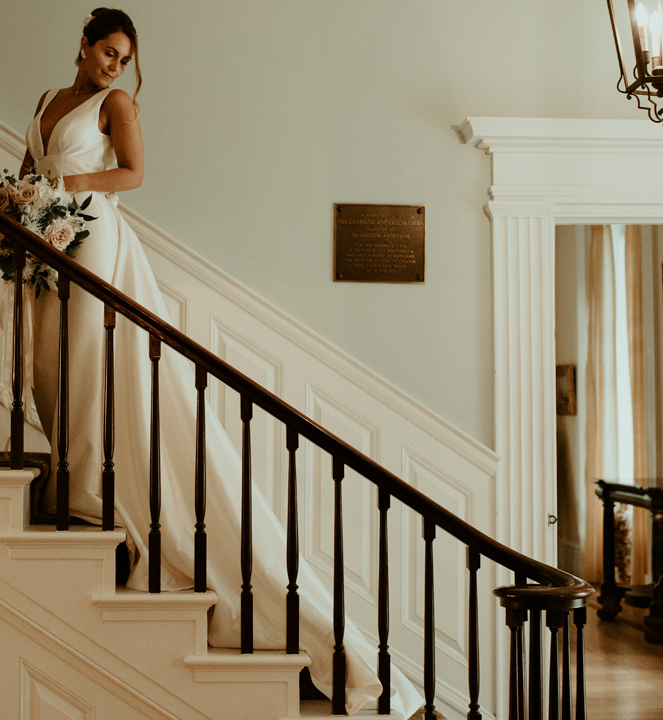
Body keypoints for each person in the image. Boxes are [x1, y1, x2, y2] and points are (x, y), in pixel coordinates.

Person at [23, 9, 422, 717]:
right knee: (48, 370)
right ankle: (71, 478)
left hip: (90, 240)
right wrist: (23, 202)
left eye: (125, 57)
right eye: (108, 52)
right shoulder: (44, 101)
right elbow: (28, 168)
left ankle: (92, 494)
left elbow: (135, 173)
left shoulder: (113, 104)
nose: (116, 66)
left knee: (90, 363)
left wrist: (67, 193)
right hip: (44, 243)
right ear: (83, 45)